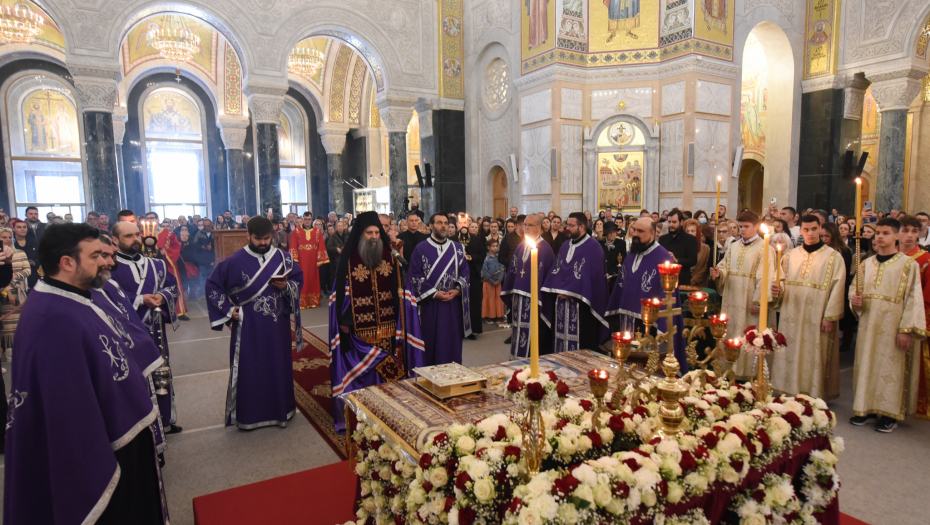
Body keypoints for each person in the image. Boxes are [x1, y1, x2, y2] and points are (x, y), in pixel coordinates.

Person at [4, 223, 167, 525]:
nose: (106, 262)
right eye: (95, 256)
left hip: (120, 433)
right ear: (67, 263)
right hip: (99, 449)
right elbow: (67, 414)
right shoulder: (52, 317)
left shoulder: (73, 297)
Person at [206, 217, 304, 430]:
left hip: (277, 327)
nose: (263, 243)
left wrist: (287, 286)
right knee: (251, 368)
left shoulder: (284, 258)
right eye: (258, 238)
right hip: (248, 327)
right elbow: (213, 286)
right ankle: (250, 416)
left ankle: (281, 411)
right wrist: (229, 310)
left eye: (267, 238)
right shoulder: (234, 261)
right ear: (248, 236)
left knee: (278, 366)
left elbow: (298, 280)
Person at [328, 212, 422, 432]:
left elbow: (399, 289)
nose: (373, 236)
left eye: (376, 232)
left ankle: (389, 408)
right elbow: (341, 293)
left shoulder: (390, 256)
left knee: (387, 364)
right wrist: (344, 320)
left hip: (388, 324)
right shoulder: (349, 259)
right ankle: (363, 409)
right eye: (369, 232)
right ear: (361, 234)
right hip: (359, 326)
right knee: (366, 368)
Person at [849, 218, 927, 432]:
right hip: (868, 322)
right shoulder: (867, 263)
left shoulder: (908, 264)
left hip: (893, 325)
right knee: (867, 364)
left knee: (889, 367)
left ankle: (889, 413)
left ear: (896, 236)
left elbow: (913, 298)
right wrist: (855, 301)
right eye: (878, 233)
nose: (880, 237)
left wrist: (906, 329)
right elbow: (855, 291)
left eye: (885, 233)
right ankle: (867, 408)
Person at [110, 221, 183, 435]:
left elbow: (172, 286)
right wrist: (141, 299)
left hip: (156, 330)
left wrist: (162, 296)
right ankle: (140, 425)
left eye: (137, 235)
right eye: (128, 236)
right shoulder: (110, 267)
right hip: (126, 333)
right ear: (115, 240)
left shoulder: (157, 265)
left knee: (160, 372)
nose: (136, 240)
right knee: (133, 377)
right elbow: (106, 297)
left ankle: (165, 420)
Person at [770, 215, 847, 400]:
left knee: (814, 353)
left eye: (813, 229)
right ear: (801, 230)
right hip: (791, 313)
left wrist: (829, 317)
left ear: (820, 228)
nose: (810, 233)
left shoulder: (834, 257)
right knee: (789, 349)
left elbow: (838, 288)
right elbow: (780, 282)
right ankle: (787, 389)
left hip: (817, 314)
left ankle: (813, 393)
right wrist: (776, 290)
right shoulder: (790, 256)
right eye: (805, 230)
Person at [605, 218, 686, 369]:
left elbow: (667, 297)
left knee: (646, 367)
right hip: (626, 322)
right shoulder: (632, 254)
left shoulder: (662, 258)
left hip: (651, 325)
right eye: (634, 230)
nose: (635, 234)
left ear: (653, 234)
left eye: (641, 231)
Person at [709, 211, 775, 379]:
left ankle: (747, 373)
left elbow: (766, 276)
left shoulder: (765, 248)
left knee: (748, 334)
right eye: (741, 227)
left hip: (749, 300)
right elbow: (725, 266)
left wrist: (759, 301)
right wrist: (719, 273)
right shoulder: (734, 246)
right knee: (731, 332)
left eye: (747, 227)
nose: (743, 230)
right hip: (731, 298)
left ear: (756, 227)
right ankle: (729, 368)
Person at [406, 212, 471, 365]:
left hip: (452, 303)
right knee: (432, 340)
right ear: (431, 226)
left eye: (446, 223)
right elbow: (415, 275)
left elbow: (465, 272)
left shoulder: (458, 248)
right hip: (431, 304)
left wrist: (456, 289)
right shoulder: (420, 249)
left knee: (452, 340)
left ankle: (453, 373)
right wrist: (435, 294)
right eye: (439, 223)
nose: (443, 226)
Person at [542, 212, 609, 353]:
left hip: (583, 307)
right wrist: (557, 289)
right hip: (561, 304)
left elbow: (595, 280)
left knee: (582, 346)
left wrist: (572, 293)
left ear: (582, 227)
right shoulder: (565, 245)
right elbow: (557, 270)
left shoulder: (594, 247)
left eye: (571, 225)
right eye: (567, 224)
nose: (567, 228)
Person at [501, 214, 555, 359]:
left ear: (539, 227)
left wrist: (541, 297)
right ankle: (517, 359)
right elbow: (513, 270)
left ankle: (534, 362)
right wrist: (512, 291)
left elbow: (549, 277)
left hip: (535, 301)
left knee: (535, 332)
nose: (526, 228)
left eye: (530, 225)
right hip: (519, 299)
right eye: (525, 225)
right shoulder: (521, 246)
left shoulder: (546, 249)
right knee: (518, 329)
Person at [897, 215, 930, 419]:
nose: (910, 235)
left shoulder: (925, 259)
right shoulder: (889, 258)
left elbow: (926, 295)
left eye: (914, 231)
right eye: (905, 230)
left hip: (915, 317)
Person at [143, 212, 188, 320]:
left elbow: (176, 246)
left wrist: (166, 252)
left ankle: (177, 311)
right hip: (148, 265)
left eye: (152, 218)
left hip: (168, 264)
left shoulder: (168, 233)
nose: (150, 220)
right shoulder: (142, 234)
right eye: (147, 218)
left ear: (157, 219)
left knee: (173, 285)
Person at [288, 212, 329, 308]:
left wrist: (320, 260)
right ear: (303, 220)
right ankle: (303, 302)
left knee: (313, 279)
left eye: (309, 219)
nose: (307, 221)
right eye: (305, 219)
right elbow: (293, 246)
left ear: (311, 220)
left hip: (314, 261)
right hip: (302, 261)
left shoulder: (317, 232)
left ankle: (313, 301)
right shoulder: (296, 231)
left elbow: (321, 246)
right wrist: (295, 260)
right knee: (303, 279)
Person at [0, 228, 29, 357]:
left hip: (19, 291)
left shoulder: (20, 253)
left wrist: (17, 276)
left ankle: (21, 350)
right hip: (4, 294)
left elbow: (28, 269)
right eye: (3, 237)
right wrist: (7, 291)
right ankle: (7, 351)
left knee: (20, 322)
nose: (6, 240)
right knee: (6, 325)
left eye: (8, 237)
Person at [659, 210, 699, 286]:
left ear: (681, 222)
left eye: (674, 222)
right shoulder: (662, 239)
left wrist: (677, 260)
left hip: (682, 280)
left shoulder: (690, 239)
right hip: (664, 279)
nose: (671, 225)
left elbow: (693, 260)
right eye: (669, 222)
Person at [465, 221, 487, 339]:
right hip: (459, 275)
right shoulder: (456, 239)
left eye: (475, 227)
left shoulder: (478, 240)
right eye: (471, 227)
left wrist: (471, 257)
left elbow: (482, 255)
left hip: (473, 274)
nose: (473, 229)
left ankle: (473, 330)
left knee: (473, 303)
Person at [481, 237, 506, 322]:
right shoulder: (486, 258)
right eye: (493, 246)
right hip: (489, 283)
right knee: (490, 299)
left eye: (496, 246)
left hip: (498, 282)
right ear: (488, 247)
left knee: (498, 299)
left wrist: (499, 279)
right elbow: (484, 271)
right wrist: (492, 281)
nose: (495, 248)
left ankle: (498, 315)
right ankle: (490, 316)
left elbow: (502, 268)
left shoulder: (498, 257)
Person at [11, 218, 38, 292]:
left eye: (24, 227)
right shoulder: (11, 244)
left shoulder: (34, 243)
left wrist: (34, 262)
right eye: (19, 227)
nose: (22, 229)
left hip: (33, 275)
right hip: (15, 276)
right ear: (13, 229)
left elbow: (41, 258)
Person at [683, 218, 710, 289]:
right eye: (687, 231)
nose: (690, 233)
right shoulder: (681, 247)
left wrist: (695, 280)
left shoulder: (706, 248)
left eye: (692, 231)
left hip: (700, 284)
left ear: (697, 232)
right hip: (684, 283)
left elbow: (706, 267)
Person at [601, 221, 626, 291]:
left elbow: (623, 261)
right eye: (610, 232)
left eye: (614, 232)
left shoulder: (621, 244)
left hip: (615, 277)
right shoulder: (600, 244)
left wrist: (611, 274)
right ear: (606, 233)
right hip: (602, 277)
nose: (612, 234)